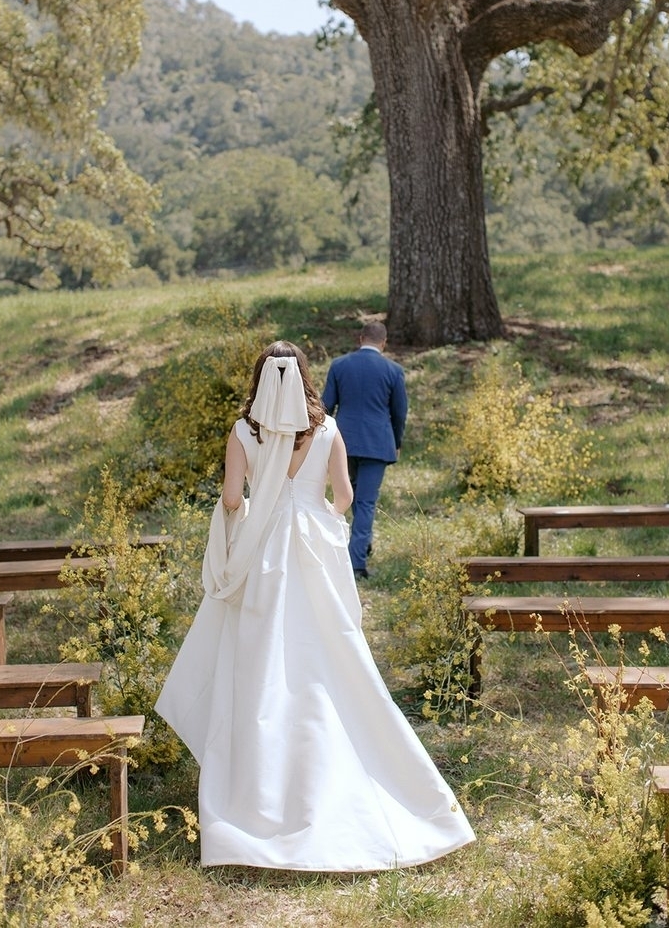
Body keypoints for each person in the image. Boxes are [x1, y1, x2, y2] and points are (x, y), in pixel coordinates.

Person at [155, 340, 474, 872]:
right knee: (329, 659)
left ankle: (258, 795)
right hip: (312, 552)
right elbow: (344, 496)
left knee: (260, 666)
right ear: (304, 375)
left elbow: (232, 499)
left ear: (261, 377)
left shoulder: (244, 431)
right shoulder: (326, 428)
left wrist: (253, 506)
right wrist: (316, 506)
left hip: (263, 553)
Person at [321, 320, 407, 580]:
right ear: (384, 343)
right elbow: (399, 413)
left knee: (351, 497)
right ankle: (356, 563)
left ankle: (360, 544)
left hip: (343, 442)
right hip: (377, 444)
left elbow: (326, 406)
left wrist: (321, 440)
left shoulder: (339, 365)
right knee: (365, 501)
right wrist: (397, 441)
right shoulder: (393, 370)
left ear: (360, 339)